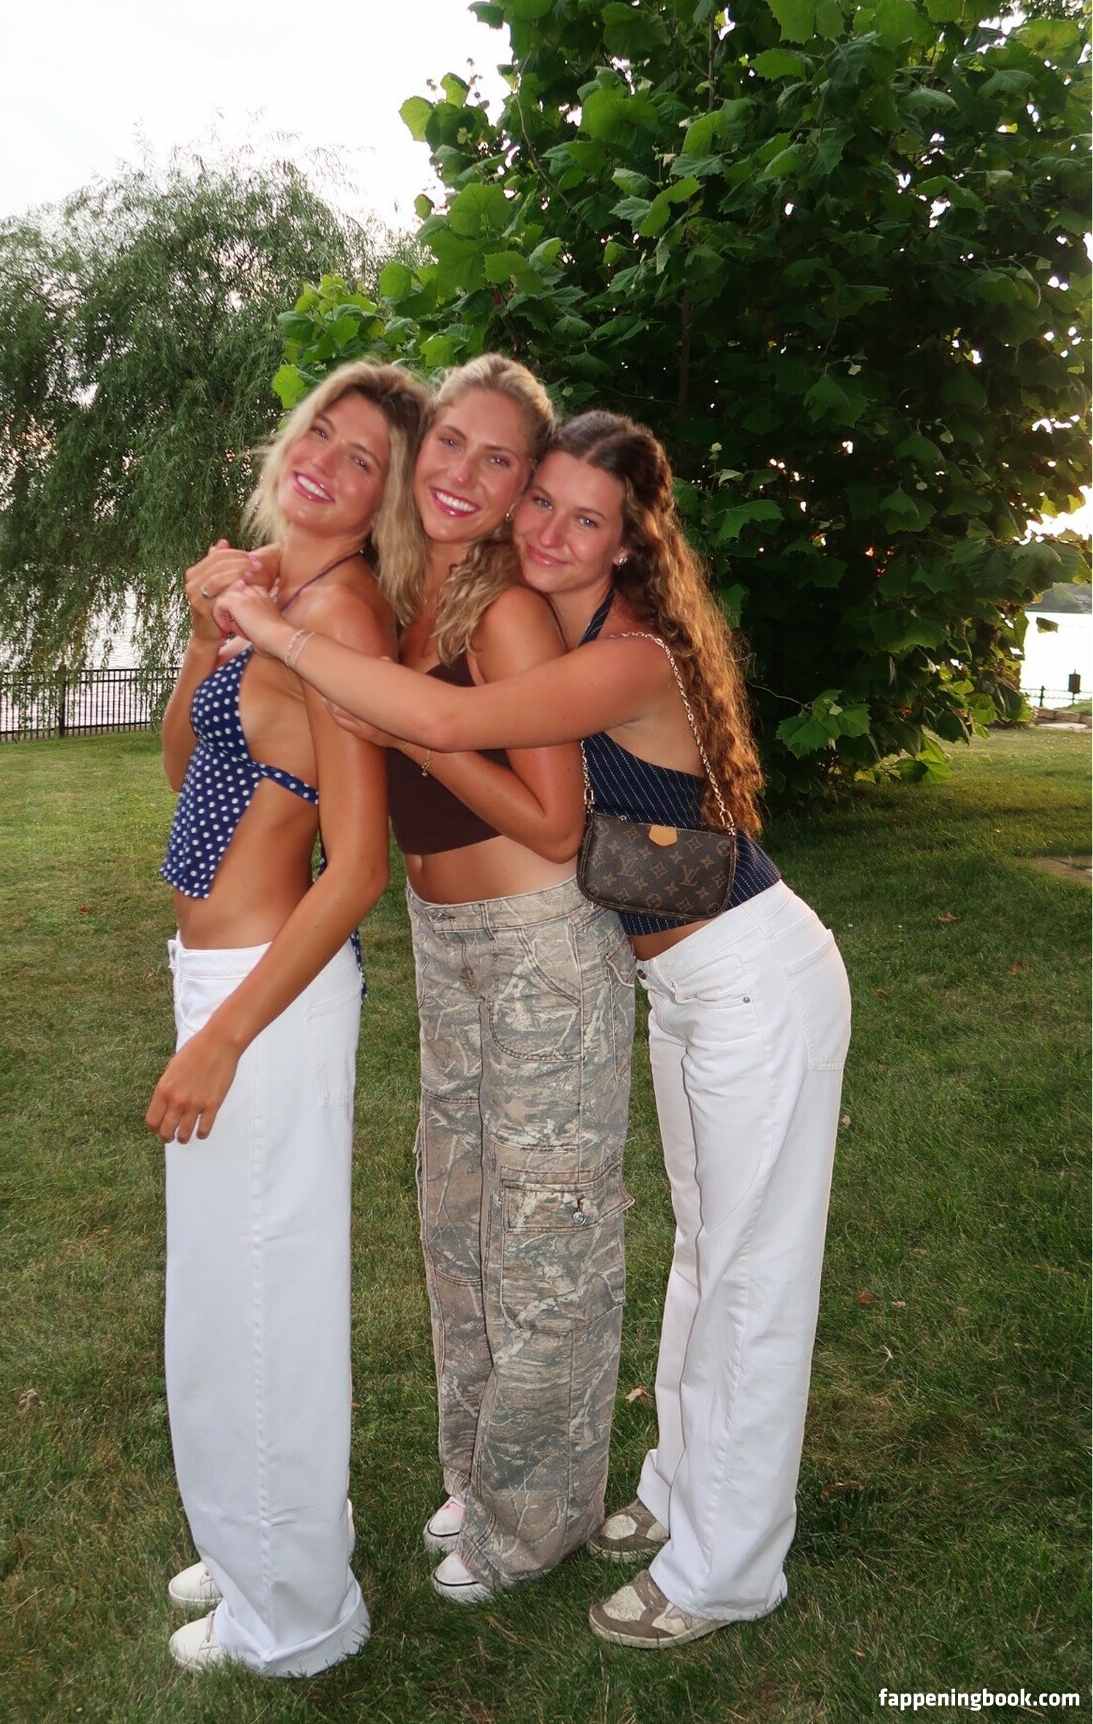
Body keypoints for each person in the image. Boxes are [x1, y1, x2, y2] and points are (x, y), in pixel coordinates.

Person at [214, 406, 852, 1651]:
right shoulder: (563, 629)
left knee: (753, 1278)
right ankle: (672, 1490)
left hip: (756, 979)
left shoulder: (632, 656)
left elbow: (455, 729)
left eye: (586, 518)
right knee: (705, 1258)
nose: (554, 531)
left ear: (630, 542)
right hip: (690, 990)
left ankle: (728, 1568)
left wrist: (280, 632)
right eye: (543, 502)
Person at [224, 354, 637, 1605]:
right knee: (457, 1223)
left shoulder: (502, 611)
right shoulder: (409, 596)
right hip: (446, 942)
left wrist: (411, 728)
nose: (461, 473)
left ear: (522, 486)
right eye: (449, 442)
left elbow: (555, 821)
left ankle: (537, 1519)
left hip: (541, 943)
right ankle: (478, 1473)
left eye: (498, 460)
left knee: (545, 1235)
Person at [146, 358, 428, 1677]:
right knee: (224, 1298)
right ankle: (260, 1536)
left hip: (268, 999)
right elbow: (189, 767)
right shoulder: (274, 594)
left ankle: (298, 1618)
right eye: (322, 430)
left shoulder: (342, 621)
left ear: (383, 504)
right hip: (222, 978)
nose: (326, 459)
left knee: (258, 1307)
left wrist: (224, 1037)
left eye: (364, 458)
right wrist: (210, 628)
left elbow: (357, 865)